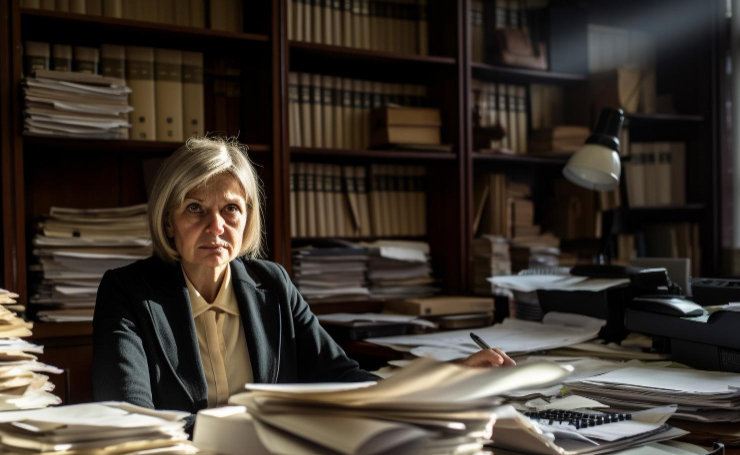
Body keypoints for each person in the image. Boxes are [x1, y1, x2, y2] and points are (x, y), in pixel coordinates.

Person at [92, 136, 513, 431]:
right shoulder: (128, 293)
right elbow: (132, 421)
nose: (215, 226)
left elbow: (343, 378)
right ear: (169, 220)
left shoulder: (270, 285)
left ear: (248, 219)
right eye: (195, 208)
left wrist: (444, 379)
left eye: (231, 209)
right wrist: (252, 434)